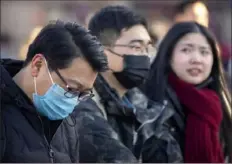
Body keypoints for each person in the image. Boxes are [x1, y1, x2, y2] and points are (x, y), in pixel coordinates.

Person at [0, 20, 108, 163]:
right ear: (37, 65)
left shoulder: (66, 124)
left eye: (83, 94)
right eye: (72, 89)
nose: (74, 101)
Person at [139, 22, 232, 162]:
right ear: (169, 56)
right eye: (186, 50)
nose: (196, 59)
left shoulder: (218, 105)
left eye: (204, 52)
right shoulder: (149, 104)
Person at [75, 5, 154, 162]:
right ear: (102, 53)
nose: (145, 56)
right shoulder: (81, 102)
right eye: (136, 47)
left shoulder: (140, 103)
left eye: (148, 48)